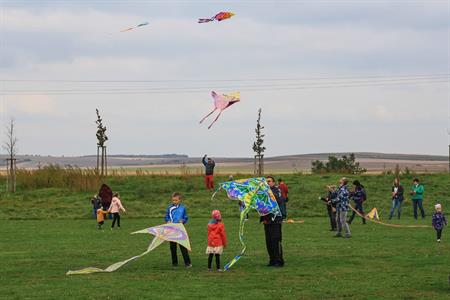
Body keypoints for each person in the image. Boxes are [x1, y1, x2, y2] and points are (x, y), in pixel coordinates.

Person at [260, 176, 284, 267]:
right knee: (269, 241)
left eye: (269, 181)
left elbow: (277, 200)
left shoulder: (276, 190)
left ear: (273, 182)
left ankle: (279, 260)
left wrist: (266, 192)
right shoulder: (264, 192)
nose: (267, 183)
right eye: (266, 182)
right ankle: (272, 260)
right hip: (267, 220)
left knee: (275, 240)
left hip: (275, 220)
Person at [165, 192, 192, 268]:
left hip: (180, 229)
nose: (174, 202)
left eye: (176, 200)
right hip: (172, 230)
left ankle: (188, 263)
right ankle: (174, 263)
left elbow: (186, 217)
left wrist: (183, 220)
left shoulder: (183, 208)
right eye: (173, 200)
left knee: (183, 246)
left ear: (179, 200)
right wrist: (168, 220)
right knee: (173, 247)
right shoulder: (169, 208)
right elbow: (166, 217)